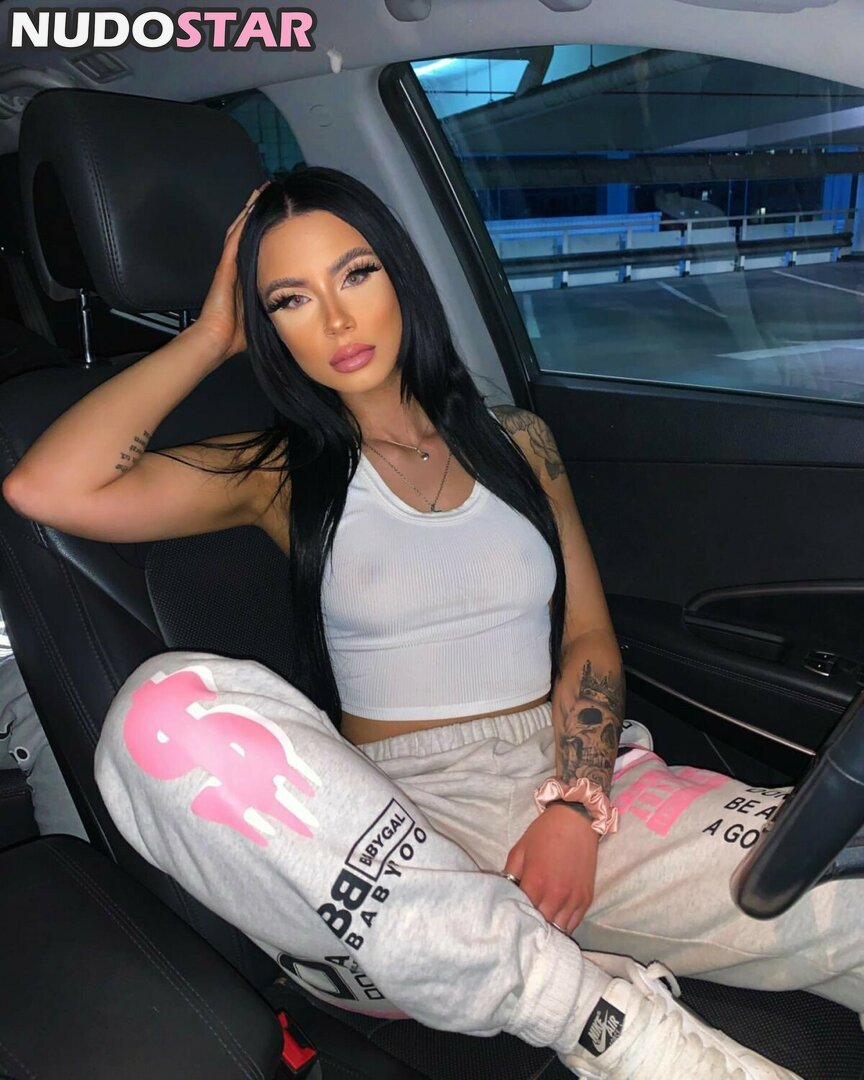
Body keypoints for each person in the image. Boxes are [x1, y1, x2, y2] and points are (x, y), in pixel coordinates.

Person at [3, 168, 859, 1079]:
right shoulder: (280, 472)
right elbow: (46, 487)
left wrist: (575, 804)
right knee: (163, 713)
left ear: (400, 274)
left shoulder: (518, 441)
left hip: (567, 779)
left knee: (838, 888)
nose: (337, 321)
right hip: (386, 829)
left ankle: (534, 966)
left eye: (355, 274)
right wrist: (212, 334)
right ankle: (611, 1026)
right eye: (290, 299)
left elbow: (586, 638)